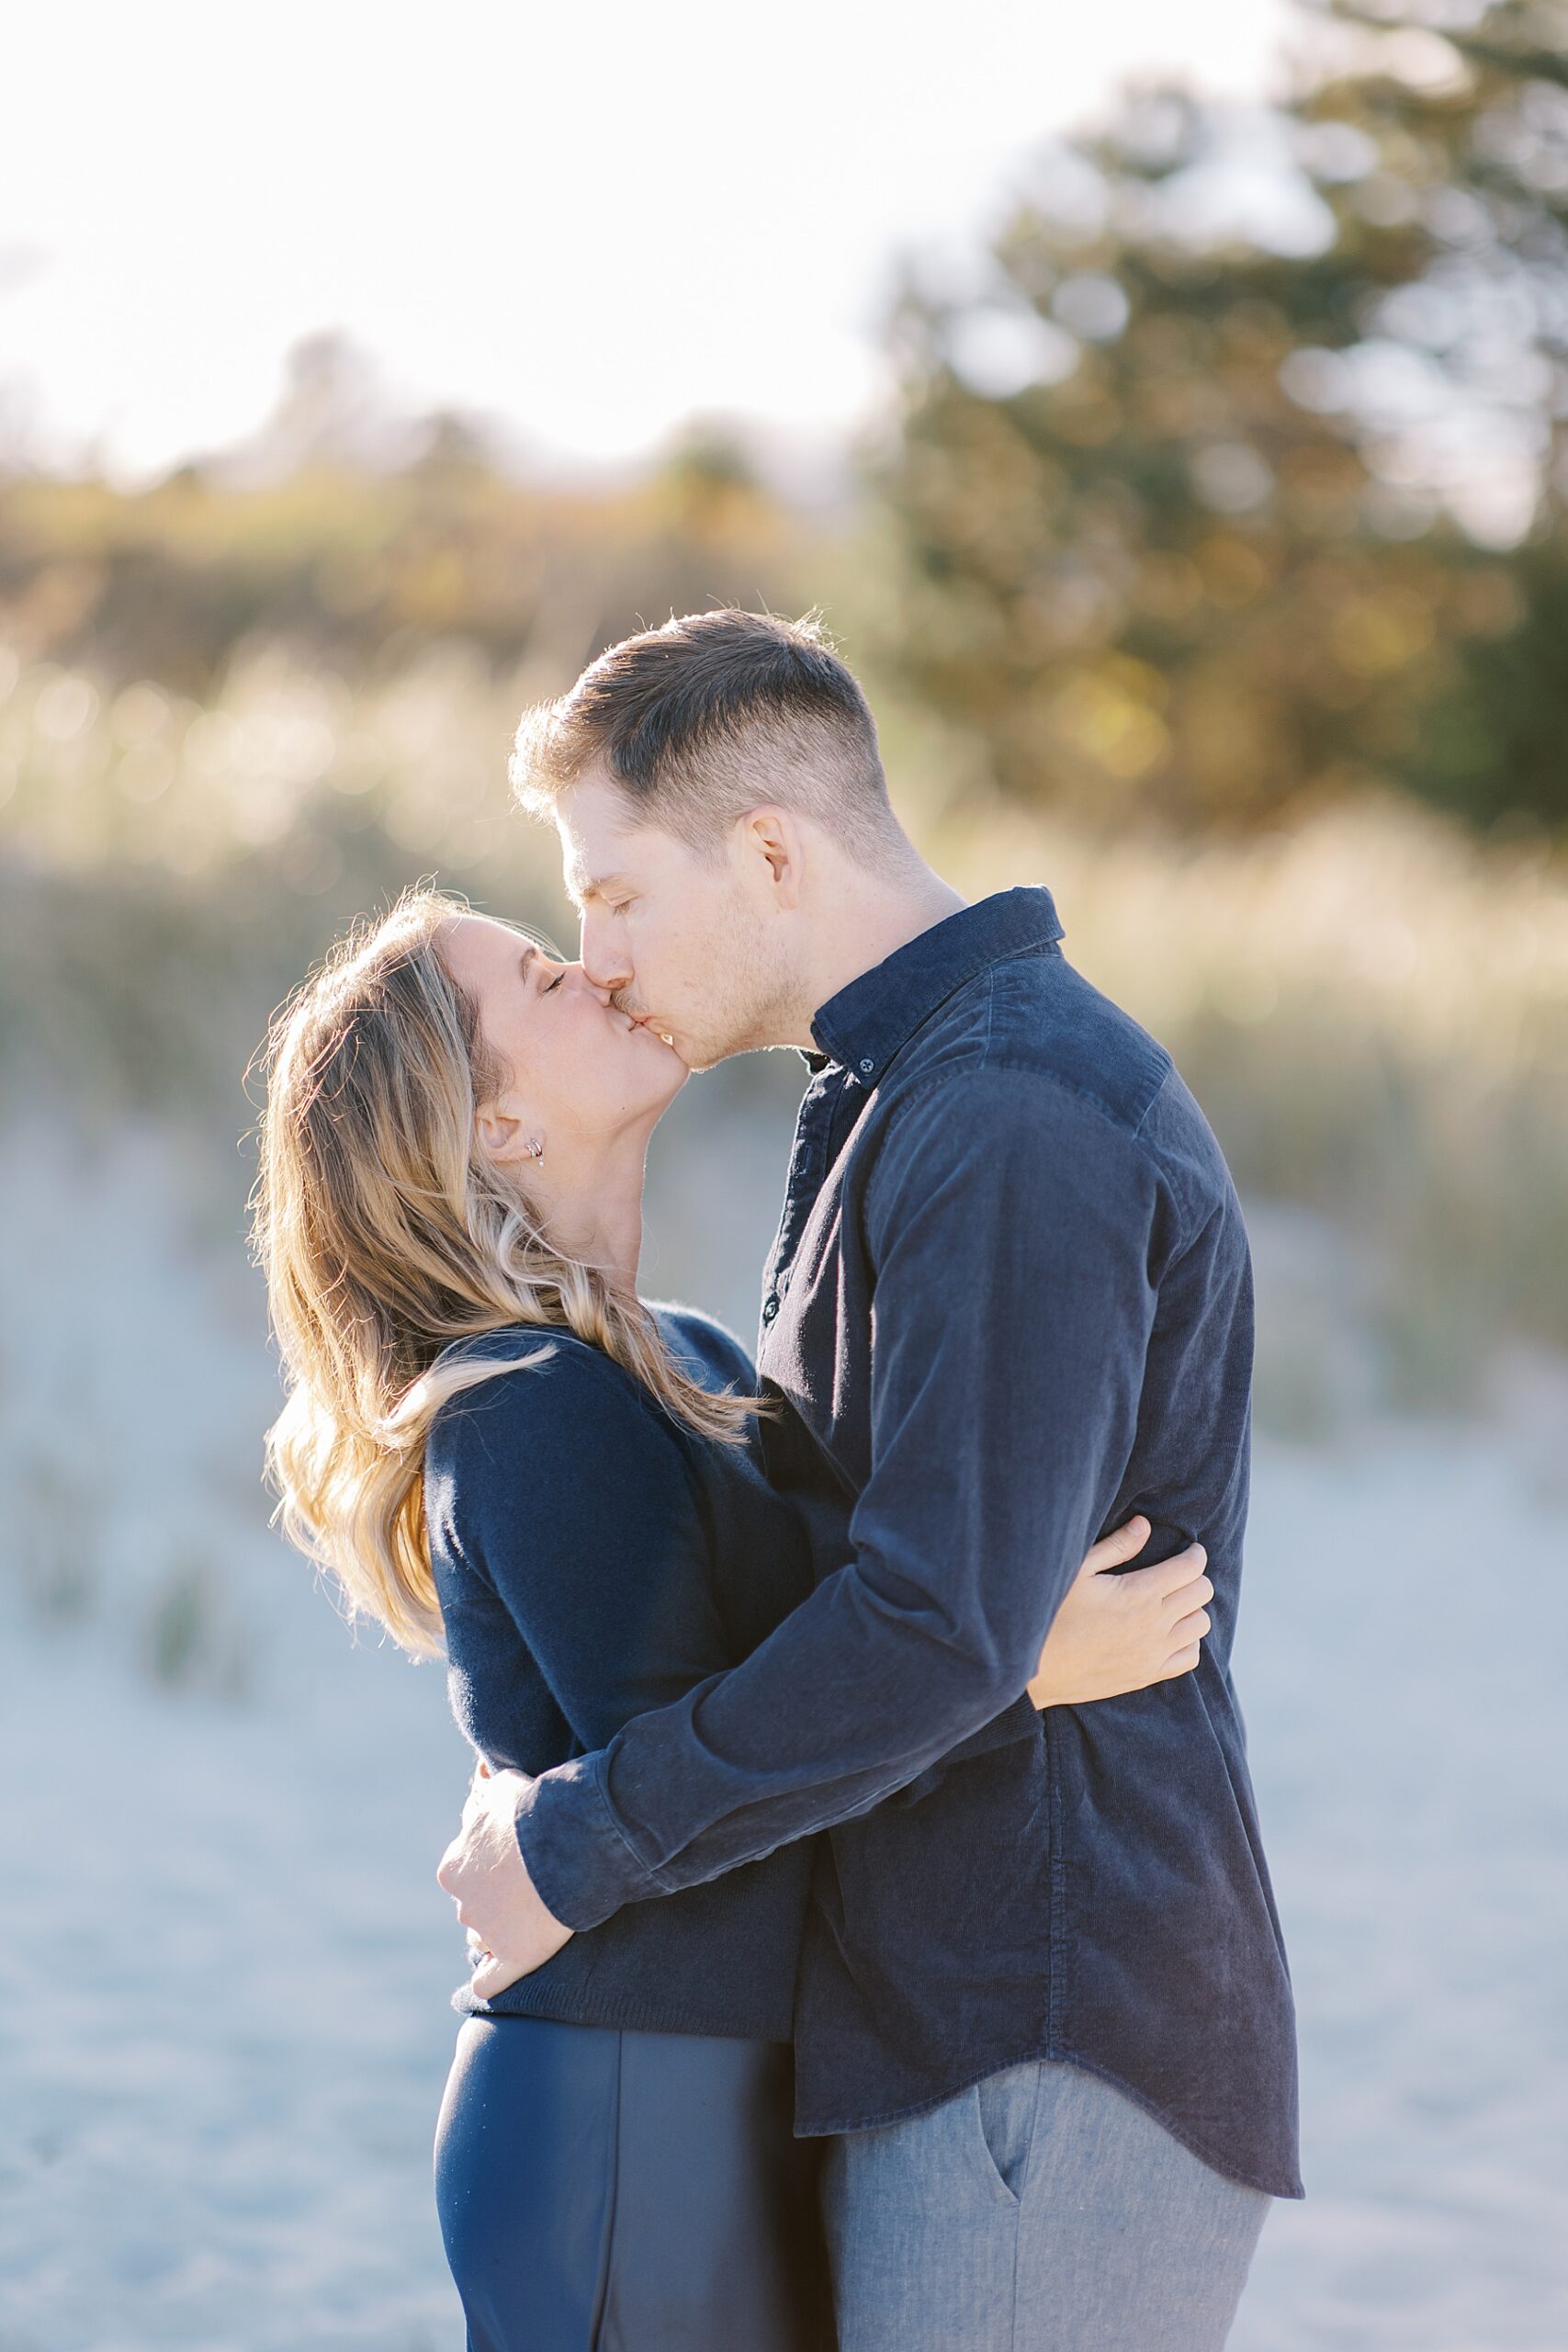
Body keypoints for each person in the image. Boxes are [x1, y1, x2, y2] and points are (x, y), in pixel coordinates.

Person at [437, 607, 1303, 2352]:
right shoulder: (903, 1094)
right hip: (944, 2014)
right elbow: (911, 1602)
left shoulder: (1006, 1114)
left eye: (612, 894)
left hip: (1037, 2029)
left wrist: (579, 1841)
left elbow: (931, 1626)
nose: (594, 954)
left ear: (767, 850)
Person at [254, 887, 1217, 2351]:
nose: (589, 968)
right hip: (627, 2102)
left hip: (724, 2088)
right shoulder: (523, 1407)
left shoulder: (687, 1362)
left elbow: (816, 1655)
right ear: (497, 1128)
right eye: (537, 976)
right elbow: (712, 1810)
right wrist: (1016, 1666)